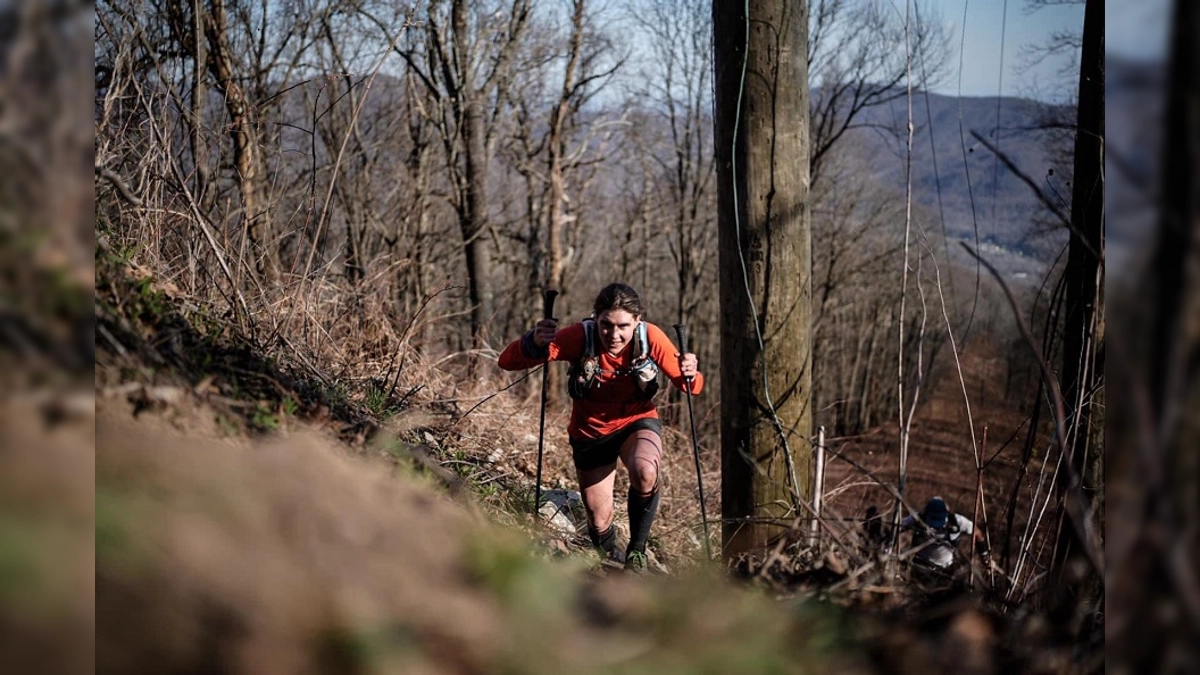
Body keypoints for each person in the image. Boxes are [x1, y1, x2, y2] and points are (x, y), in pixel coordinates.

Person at [498, 283, 703, 573]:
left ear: (637, 321)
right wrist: (534, 341)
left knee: (645, 471)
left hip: (637, 422)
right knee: (598, 522)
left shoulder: (650, 337)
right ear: (596, 318)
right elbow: (506, 362)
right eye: (606, 324)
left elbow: (691, 387)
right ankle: (611, 568)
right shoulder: (580, 337)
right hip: (590, 433)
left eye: (623, 326)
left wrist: (690, 371)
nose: (614, 334)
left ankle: (637, 553)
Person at [899, 496, 989, 573]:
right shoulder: (917, 519)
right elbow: (898, 527)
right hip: (921, 565)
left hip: (946, 568)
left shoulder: (957, 521)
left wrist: (984, 556)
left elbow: (977, 533)